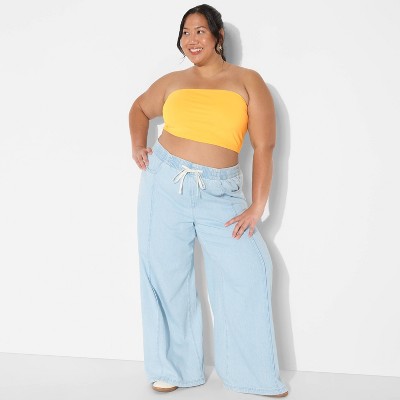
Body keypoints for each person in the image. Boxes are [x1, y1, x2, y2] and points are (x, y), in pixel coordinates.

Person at [128, 4, 289, 398]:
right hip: (164, 183)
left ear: (218, 36)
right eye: (185, 32)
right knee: (166, 276)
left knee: (250, 272)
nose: (191, 39)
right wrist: (138, 145)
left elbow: (265, 147)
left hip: (222, 193)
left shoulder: (248, 81)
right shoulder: (172, 81)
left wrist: (257, 206)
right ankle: (173, 369)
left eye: (199, 31)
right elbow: (139, 108)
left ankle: (251, 375)